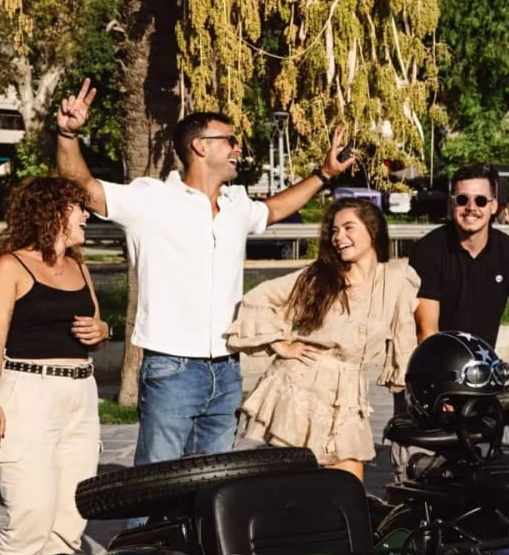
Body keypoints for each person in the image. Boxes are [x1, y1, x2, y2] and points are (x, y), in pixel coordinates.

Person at [54, 79, 352, 469]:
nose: (237, 148)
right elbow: (84, 188)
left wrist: (324, 174)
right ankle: (145, 534)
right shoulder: (151, 199)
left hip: (227, 368)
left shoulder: (236, 205)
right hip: (171, 369)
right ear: (200, 146)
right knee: (156, 483)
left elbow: (274, 209)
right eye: (229, 140)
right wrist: (67, 134)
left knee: (211, 485)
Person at [0, 176, 109, 555]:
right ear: (53, 212)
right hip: (27, 392)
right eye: (79, 209)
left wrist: (102, 329)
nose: (86, 217)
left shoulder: (78, 265)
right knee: (31, 512)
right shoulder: (10, 267)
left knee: (71, 515)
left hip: (80, 395)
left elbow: (94, 322)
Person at [223, 199, 418, 481]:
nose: (339, 237)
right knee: (302, 490)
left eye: (348, 227)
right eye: (335, 231)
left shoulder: (397, 279)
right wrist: (280, 344)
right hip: (302, 388)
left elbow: (404, 340)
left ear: (372, 231)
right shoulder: (319, 277)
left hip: (349, 392)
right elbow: (258, 298)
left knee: (347, 490)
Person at [409, 163, 509, 381]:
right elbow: (427, 331)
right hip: (434, 368)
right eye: (462, 199)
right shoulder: (429, 250)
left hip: (482, 369)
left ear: (493, 206)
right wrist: (441, 384)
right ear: (451, 203)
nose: (471, 207)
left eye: (481, 200)